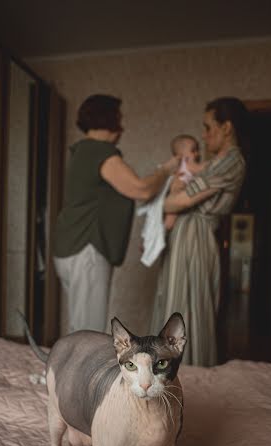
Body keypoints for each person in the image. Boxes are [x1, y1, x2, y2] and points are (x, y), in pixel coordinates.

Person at [53, 93, 178, 334]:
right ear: (109, 119)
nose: (123, 125)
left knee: (81, 325)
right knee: (88, 331)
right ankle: (80, 372)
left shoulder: (83, 151)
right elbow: (141, 189)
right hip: (85, 248)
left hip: (72, 246)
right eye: (119, 117)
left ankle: (72, 370)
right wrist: (167, 169)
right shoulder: (100, 152)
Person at [151, 97, 249, 366]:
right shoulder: (216, 161)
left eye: (208, 127)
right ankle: (168, 374)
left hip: (195, 236)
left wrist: (152, 203)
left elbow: (180, 201)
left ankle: (191, 377)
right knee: (175, 304)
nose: (204, 136)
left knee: (188, 311)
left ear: (226, 127)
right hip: (186, 235)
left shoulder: (232, 160)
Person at [138, 133, 202, 268]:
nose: (197, 153)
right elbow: (206, 170)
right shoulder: (189, 164)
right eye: (193, 150)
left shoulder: (180, 167)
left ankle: (149, 241)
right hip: (176, 194)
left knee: (158, 222)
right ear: (181, 156)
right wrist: (215, 163)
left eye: (198, 149)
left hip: (175, 194)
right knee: (169, 221)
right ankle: (157, 237)